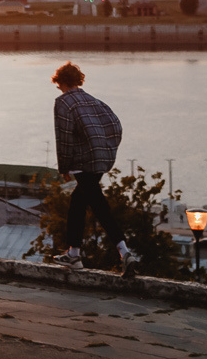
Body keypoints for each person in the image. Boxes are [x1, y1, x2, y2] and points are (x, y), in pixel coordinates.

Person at [49, 61, 139, 276]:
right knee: (78, 202)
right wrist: (106, 149)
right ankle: (74, 254)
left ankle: (125, 252)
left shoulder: (63, 102)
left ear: (60, 82)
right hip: (101, 158)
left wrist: (65, 167)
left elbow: (64, 138)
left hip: (83, 160)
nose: (58, 88)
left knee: (99, 206)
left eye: (58, 84)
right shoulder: (96, 101)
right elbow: (116, 126)